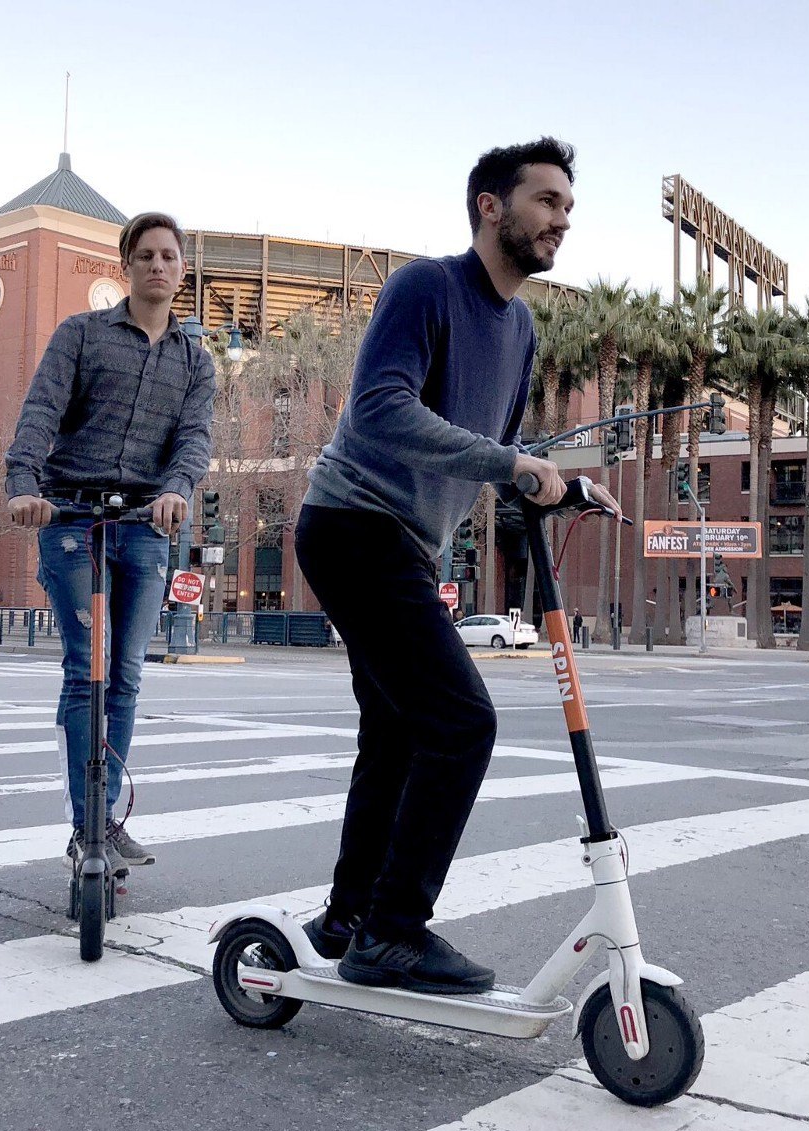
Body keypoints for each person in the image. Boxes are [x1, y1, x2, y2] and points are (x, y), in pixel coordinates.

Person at [296, 137, 617, 995]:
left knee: (398, 732)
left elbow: (498, 449)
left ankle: (349, 916)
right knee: (461, 723)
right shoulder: (425, 288)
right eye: (546, 201)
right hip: (352, 523)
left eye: (567, 209)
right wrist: (509, 466)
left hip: (403, 542)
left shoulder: (521, 327)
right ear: (490, 205)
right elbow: (381, 410)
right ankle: (395, 932)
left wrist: (553, 484)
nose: (561, 220)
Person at [4, 211, 216, 876]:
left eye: (168, 256)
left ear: (182, 271)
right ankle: (85, 825)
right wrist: (22, 486)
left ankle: (106, 824)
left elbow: (193, 439)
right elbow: (40, 412)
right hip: (70, 518)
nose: (157, 265)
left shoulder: (195, 361)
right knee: (83, 673)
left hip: (146, 527)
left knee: (123, 676)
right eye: (145, 254)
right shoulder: (81, 335)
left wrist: (178, 487)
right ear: (126, 265)